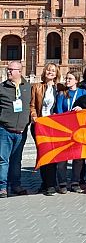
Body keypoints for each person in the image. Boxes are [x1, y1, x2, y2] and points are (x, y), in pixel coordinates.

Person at [29, 63, 64, 195]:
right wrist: (34, 116)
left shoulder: (59, 88)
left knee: (52, 154)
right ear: (45, 72)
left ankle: (48, 184)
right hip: (39, 124)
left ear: (56, 74)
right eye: (49, 70)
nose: (51, 72)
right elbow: (32, 105)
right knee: (43, 153)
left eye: (53, 71)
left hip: (53, 126)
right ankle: (49, 184)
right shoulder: (37, 87)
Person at [0, 61, 32, 198]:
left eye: (11, 70)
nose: (8, 72)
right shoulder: (2, 88)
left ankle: (16, 185)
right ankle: (2, 187)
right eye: (8, 70)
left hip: (21, 131)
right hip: (5, 129)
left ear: (20, 71)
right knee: (3, 160)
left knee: (16, 160)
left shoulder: (28, 87)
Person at [55, 70, 86, 193]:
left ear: (76, 80)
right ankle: (63, 183)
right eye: (66, 78)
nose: (67, 81)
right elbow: (59, 111)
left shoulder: (83, 93)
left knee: (79, 157)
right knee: (62, 158)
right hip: (65, 128)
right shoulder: (62, 94)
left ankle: (75, 181)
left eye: (70, 79)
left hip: (79, 129)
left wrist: (82, 108)